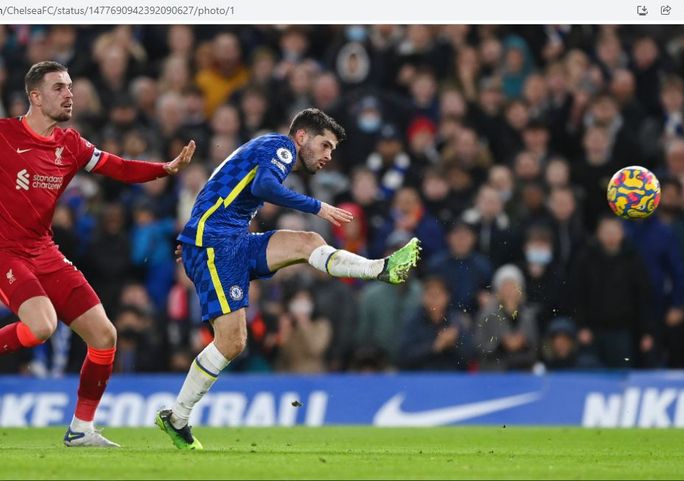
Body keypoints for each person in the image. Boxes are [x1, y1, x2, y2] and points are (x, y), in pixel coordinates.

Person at [156, 108, 421, 450]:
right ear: (301, 138)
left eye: (332, 151)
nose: (328, 155)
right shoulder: (280, 146)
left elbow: (221, 189)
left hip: (228, 240)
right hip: (215, 243)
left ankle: (380, 269)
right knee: (233, 341)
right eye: (324, 145)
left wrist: (194, 235)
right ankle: (177, 418)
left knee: (308, 242)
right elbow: (263, 185)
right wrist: (317, 206)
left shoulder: (267, 150)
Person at [0, 61, 196, 447]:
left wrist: (166, 168)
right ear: (35, 97)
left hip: (44, 249)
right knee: (41, 326)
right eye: (59, 87)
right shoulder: (4, 136)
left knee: (105, 336)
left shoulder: (69, 144)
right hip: (5, 251)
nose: (69, 94)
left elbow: (117, 167)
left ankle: (81, 429)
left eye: (70, 86)